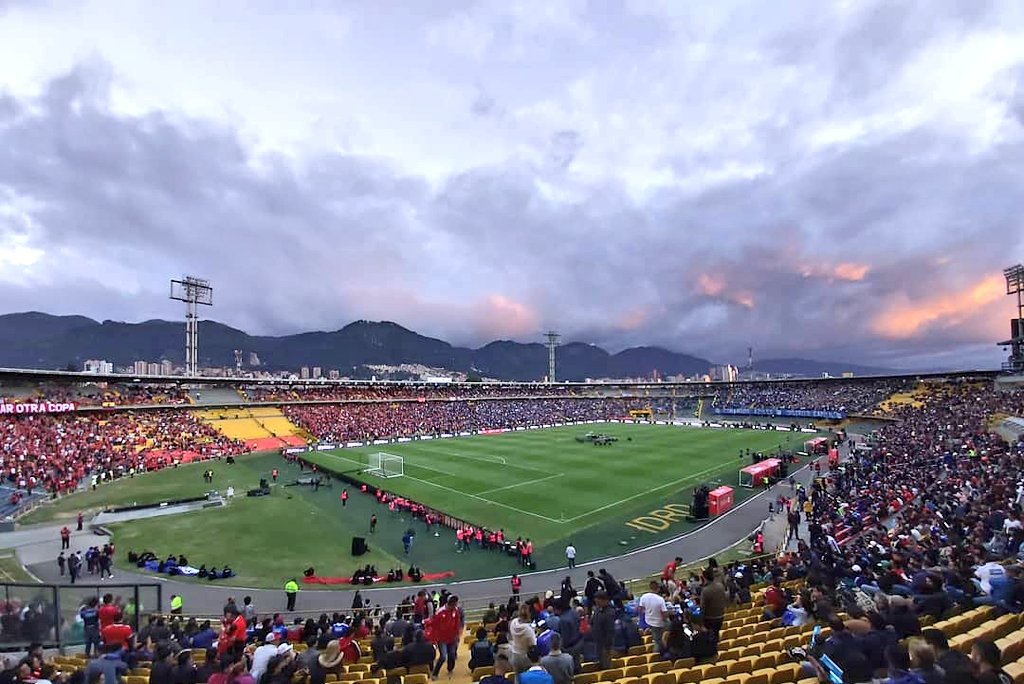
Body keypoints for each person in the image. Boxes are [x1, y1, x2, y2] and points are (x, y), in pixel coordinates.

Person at [426, 595, 463, 679]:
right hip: (442, 639)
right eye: (455, 604)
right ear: (451, 604)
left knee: (452, 654)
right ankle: (435, 673)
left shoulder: (456, 610)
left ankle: (450, 669)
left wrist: (457, 634)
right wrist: (434, 638)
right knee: (443, 657)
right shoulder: (440, 612)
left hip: (452, 638)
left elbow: (457, 623)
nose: (456, 605)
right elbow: (434, 624)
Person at [637, 581, 670, 654]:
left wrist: (647, 612)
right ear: (658, 589)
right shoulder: (660, 599)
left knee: (657, 640)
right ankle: (657, 655)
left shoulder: (644, 597)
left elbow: (640, 609)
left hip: (649, 621)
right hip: (658, 623)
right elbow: (665, 614)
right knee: (659, 641)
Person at [509, 604, 536, 676]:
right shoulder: (528, 630)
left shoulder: (513, 623)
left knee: (517, 677)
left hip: (515, 654)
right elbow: (533, 644)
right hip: (525, 656)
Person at [589, 591, 615, 670]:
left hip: (605, 645)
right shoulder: (598, 610)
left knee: (606, 665)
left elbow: (610, 631)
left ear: (605, 600)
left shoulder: (609, 613)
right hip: (598, 642)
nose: (597, 604)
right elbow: (592, 621)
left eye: (598, 602)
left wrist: (607, 646)